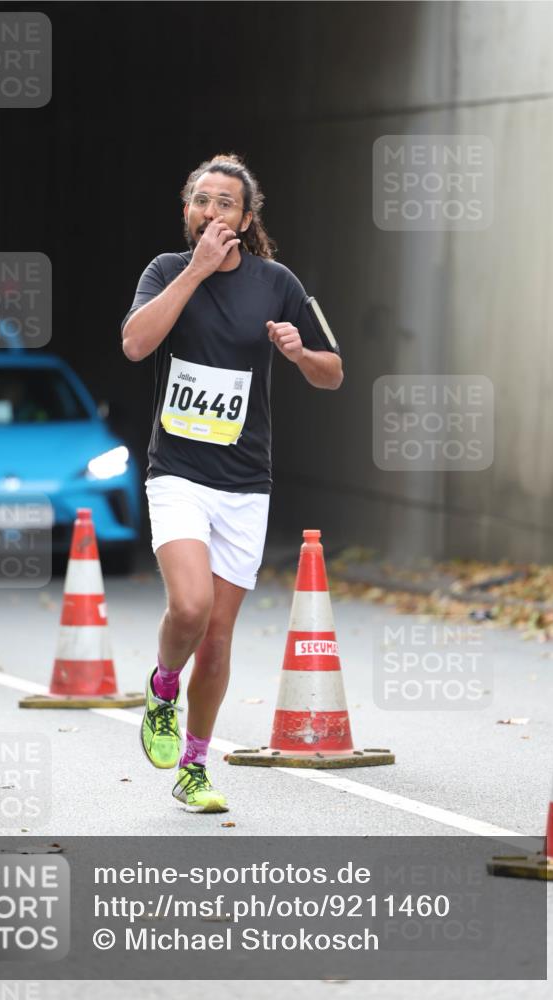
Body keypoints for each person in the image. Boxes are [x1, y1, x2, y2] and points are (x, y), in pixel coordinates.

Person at [121, 153, 342, 813]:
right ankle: (162, 689)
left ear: (246, 219)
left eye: (225, 203)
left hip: (245, 482)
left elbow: (334, 371)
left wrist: (299, 354)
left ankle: (193, 767)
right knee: (188, 608)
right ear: (187, 212)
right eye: (201, 201)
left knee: (216, 636)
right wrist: (192, 272)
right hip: (179, 474)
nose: (211, 212)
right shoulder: (165, 271)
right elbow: (134, 345)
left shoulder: (276, 283)